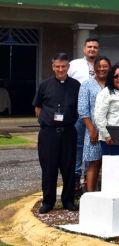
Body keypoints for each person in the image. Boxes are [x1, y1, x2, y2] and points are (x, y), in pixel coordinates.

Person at [33, 53, 81, 214]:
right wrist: (49, 121)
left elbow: (78, 108)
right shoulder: (44, 85)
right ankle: (48, 201)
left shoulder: (76, 85)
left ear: (68, 67)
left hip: (68, 132)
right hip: (48, 133)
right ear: (53, 67)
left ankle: (68, 200)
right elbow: (38, 107)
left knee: (68, 167)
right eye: (57, 66)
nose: (61, 69)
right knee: (49, 168)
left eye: (64, 66)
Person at [68, 37, 100, 192]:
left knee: (93, 148)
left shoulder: (101, 65)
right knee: (78, 145)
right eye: (89, 47)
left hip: (96, 116)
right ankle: (75, 178)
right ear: (84, 49)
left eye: (95, 47)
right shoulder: (74, 64)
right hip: (78, 113)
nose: (92, 49)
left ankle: (89, 179)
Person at [77, 56, 111, 192]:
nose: (102, 69)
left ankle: (107, 192)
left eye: (105, 66)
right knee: (95, 162)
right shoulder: (87, 84)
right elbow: (83, 109)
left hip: (112, 129)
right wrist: (91, 130)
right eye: (99, 66)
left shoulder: (113, 83)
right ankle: (90, 194)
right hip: (94, 129)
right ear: (94, 68)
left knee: (110, 162)